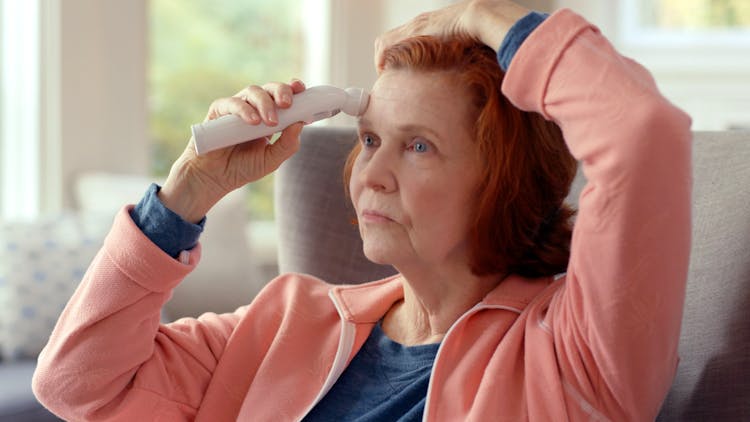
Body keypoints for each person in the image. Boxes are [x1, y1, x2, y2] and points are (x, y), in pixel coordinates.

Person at [33, 0, 692, 420]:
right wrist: (187, 193)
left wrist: (484, 16)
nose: (371, 174)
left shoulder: (571, 355)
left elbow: (642, 130)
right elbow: (75, 386)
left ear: (504, 181)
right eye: (371, 139)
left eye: (419, 147)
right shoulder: (285, 324)